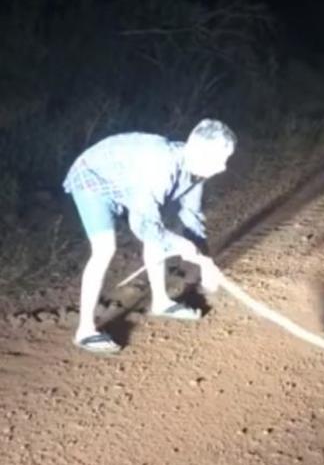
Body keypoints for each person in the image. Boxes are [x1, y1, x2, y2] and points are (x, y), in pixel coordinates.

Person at [63, 118, 236, 355]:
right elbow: (144, 225)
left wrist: (205, 262)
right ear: (200, 152)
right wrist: (181, 245)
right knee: (105, 248)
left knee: (159, 233)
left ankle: (161, 302)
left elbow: (192, 217)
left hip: (128, 182)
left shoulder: (196, 172)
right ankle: (85, 330)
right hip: (92, 178)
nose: (223, 167)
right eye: (219, 159)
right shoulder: (160, 167)